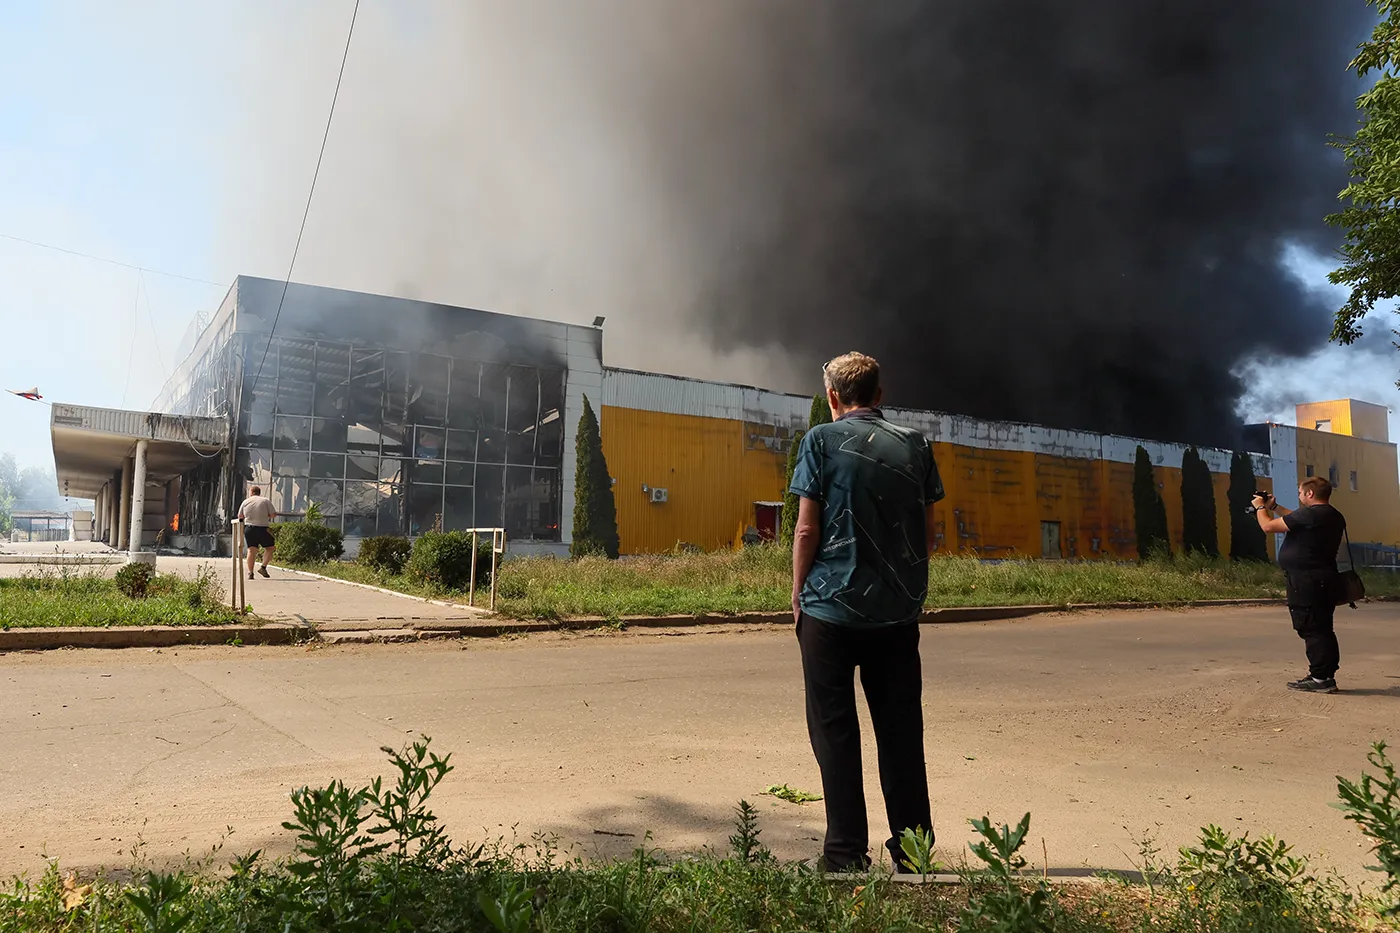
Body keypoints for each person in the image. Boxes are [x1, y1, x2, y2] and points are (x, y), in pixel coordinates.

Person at [788, 351, 945, 872]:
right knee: (901, 734)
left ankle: (845, 854)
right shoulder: (916, 445)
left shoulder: (820, 441)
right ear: (879, 395)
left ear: (833, 397)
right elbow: (928, 533)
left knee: (835, 732)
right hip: (896, 618)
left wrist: (797, 594)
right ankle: (914, 855)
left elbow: (807, 528)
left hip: (830, 614)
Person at [1252, 477, 1347, 693]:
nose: (1299, 496)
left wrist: (1260, 508)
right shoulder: (1332, 515)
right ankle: (1324, 675)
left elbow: (1268, 526)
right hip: (1324, 578)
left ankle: (1321, 678)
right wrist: (1274, 507)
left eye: (1300, 493)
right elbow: (1294, 520)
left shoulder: (1311, 515)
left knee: (1312, 628)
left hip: (1307, 581)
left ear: (1310, 494)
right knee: (1322, 628)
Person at [237, 485, 278, 580]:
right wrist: (265, 515)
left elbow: (240, 516)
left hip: (249, 529)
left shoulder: (245, 501)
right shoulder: (265, 500)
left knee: (251, 550)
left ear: (251, 492)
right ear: (259, 492)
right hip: (263, 528)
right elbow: (273, 515)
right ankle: (263, 567)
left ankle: (250, 573)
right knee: (270, 548)